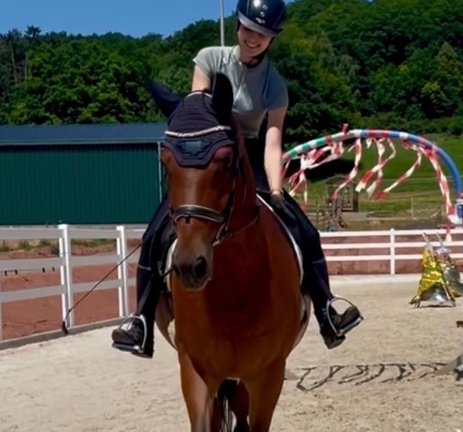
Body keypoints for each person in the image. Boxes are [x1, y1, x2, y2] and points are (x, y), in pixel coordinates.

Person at [110, 0, 363, 359]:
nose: (252, 38)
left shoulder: (275, 86)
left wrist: (276, 191)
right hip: (210, 151)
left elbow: (273, 142)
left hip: (252, 157)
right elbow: (195, 113)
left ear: (272, 38)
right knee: (157, 231)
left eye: (261, 34)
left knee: (304, 229)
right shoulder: (209, 58)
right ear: (238, 26)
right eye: (247, 29)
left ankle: (326, 310)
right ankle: (141, 320)